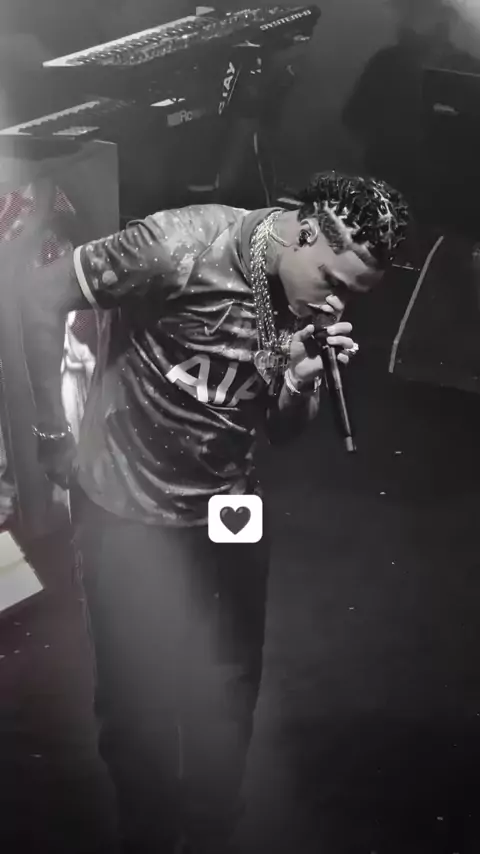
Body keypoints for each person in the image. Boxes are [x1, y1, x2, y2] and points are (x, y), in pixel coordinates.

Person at [20, 171, 409, 854]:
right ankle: (147, 834)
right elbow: (39, 298)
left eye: (353, 294)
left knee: (230, 687)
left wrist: (297, 381)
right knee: (136, 701)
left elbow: (280, 431)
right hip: (126, 506)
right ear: (304, 231)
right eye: (333, 281)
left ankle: (211, 829)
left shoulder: (303, 297)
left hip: (230, 506)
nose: (336, 303)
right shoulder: (177, 244)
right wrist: (51, 431)